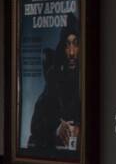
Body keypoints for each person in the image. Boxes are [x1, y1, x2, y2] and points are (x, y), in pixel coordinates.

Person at [28, 18, 81, 152]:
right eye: (67, 45)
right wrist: (58, 127)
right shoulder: (55, 78)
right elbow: (36, 125)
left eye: (75, 44)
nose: (72, 52)